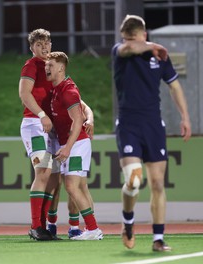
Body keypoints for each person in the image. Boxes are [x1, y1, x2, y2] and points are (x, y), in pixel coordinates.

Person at [111, 15, 191, 251]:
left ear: (144, 34)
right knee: (134, 181)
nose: (130, 42)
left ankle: (158, 238)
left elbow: (174, 86)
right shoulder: (120, 50)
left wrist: (185, 116)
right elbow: (129, 48)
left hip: (153, 125)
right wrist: (151, 46)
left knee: (157, 183)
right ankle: (128, 221)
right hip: (128, 125)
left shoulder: (158, 58)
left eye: (134, 38)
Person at [19, 29, 93, 240]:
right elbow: (24, 94)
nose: (43, 47)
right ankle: (36, 227)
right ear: (31, 48)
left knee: (53, 182)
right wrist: (42, 114)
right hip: (35, 125)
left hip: (50, 129)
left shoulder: (52, 69)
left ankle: (46, 226)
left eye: (46, 43)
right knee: (42, 172)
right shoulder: (31, 65)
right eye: (39, 44)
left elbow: (77, 100)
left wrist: (90, 117)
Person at [46, 51, 103, 240]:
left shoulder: (68, 91)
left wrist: (68, 148)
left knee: (71, 186)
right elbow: (85, 108)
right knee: (82, 188)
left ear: (61, 68)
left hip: (77, 144)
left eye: (51, 65)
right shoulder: (59, 88)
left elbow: (78, 120)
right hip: (73, 143)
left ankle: (93, 229)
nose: (47, 68)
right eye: (46, 65)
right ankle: (92, 229)